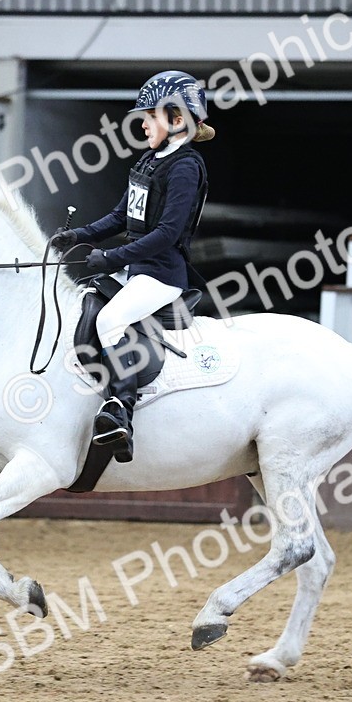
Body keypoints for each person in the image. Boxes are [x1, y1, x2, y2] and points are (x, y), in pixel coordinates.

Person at [50, 71, 213, 462]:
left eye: (149, 116)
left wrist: (109, 258)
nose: (141, 122)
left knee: (110, 321)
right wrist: (80, 235)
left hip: (161, 274)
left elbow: (168, 233)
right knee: (86, 303)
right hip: (136, 268)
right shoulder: (149, 161)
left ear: (177, 120)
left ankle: (122, 410)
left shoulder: (186, 167)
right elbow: (121, 216)